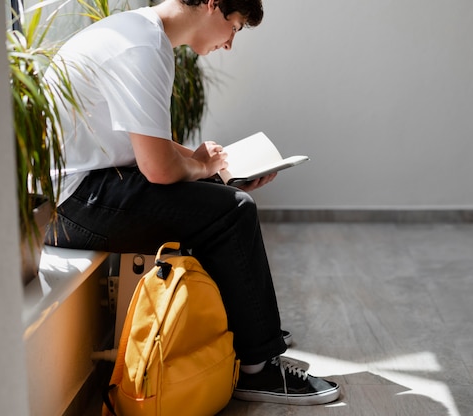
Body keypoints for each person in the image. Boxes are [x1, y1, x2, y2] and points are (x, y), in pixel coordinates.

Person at [45, 0, 340, 406]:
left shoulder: (137, 33)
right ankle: (258, 367)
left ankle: (248, 330)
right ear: (213, 5)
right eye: (234, 27)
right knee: (233, 211)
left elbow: (142, 145)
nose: (230, 43)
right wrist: (202, 167)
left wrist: (213, 172)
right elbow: (159, 169)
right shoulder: (143, 47)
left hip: (80, 187)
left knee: (221, 202)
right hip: (71, 203)